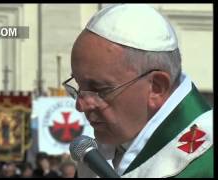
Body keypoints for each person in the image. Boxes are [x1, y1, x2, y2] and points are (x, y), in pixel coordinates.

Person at [63, 4, 213, 178]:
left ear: (156, 87)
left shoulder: (207, 163)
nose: (80, 105)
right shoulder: (97, 159)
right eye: (79, 87)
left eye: (99, 90)